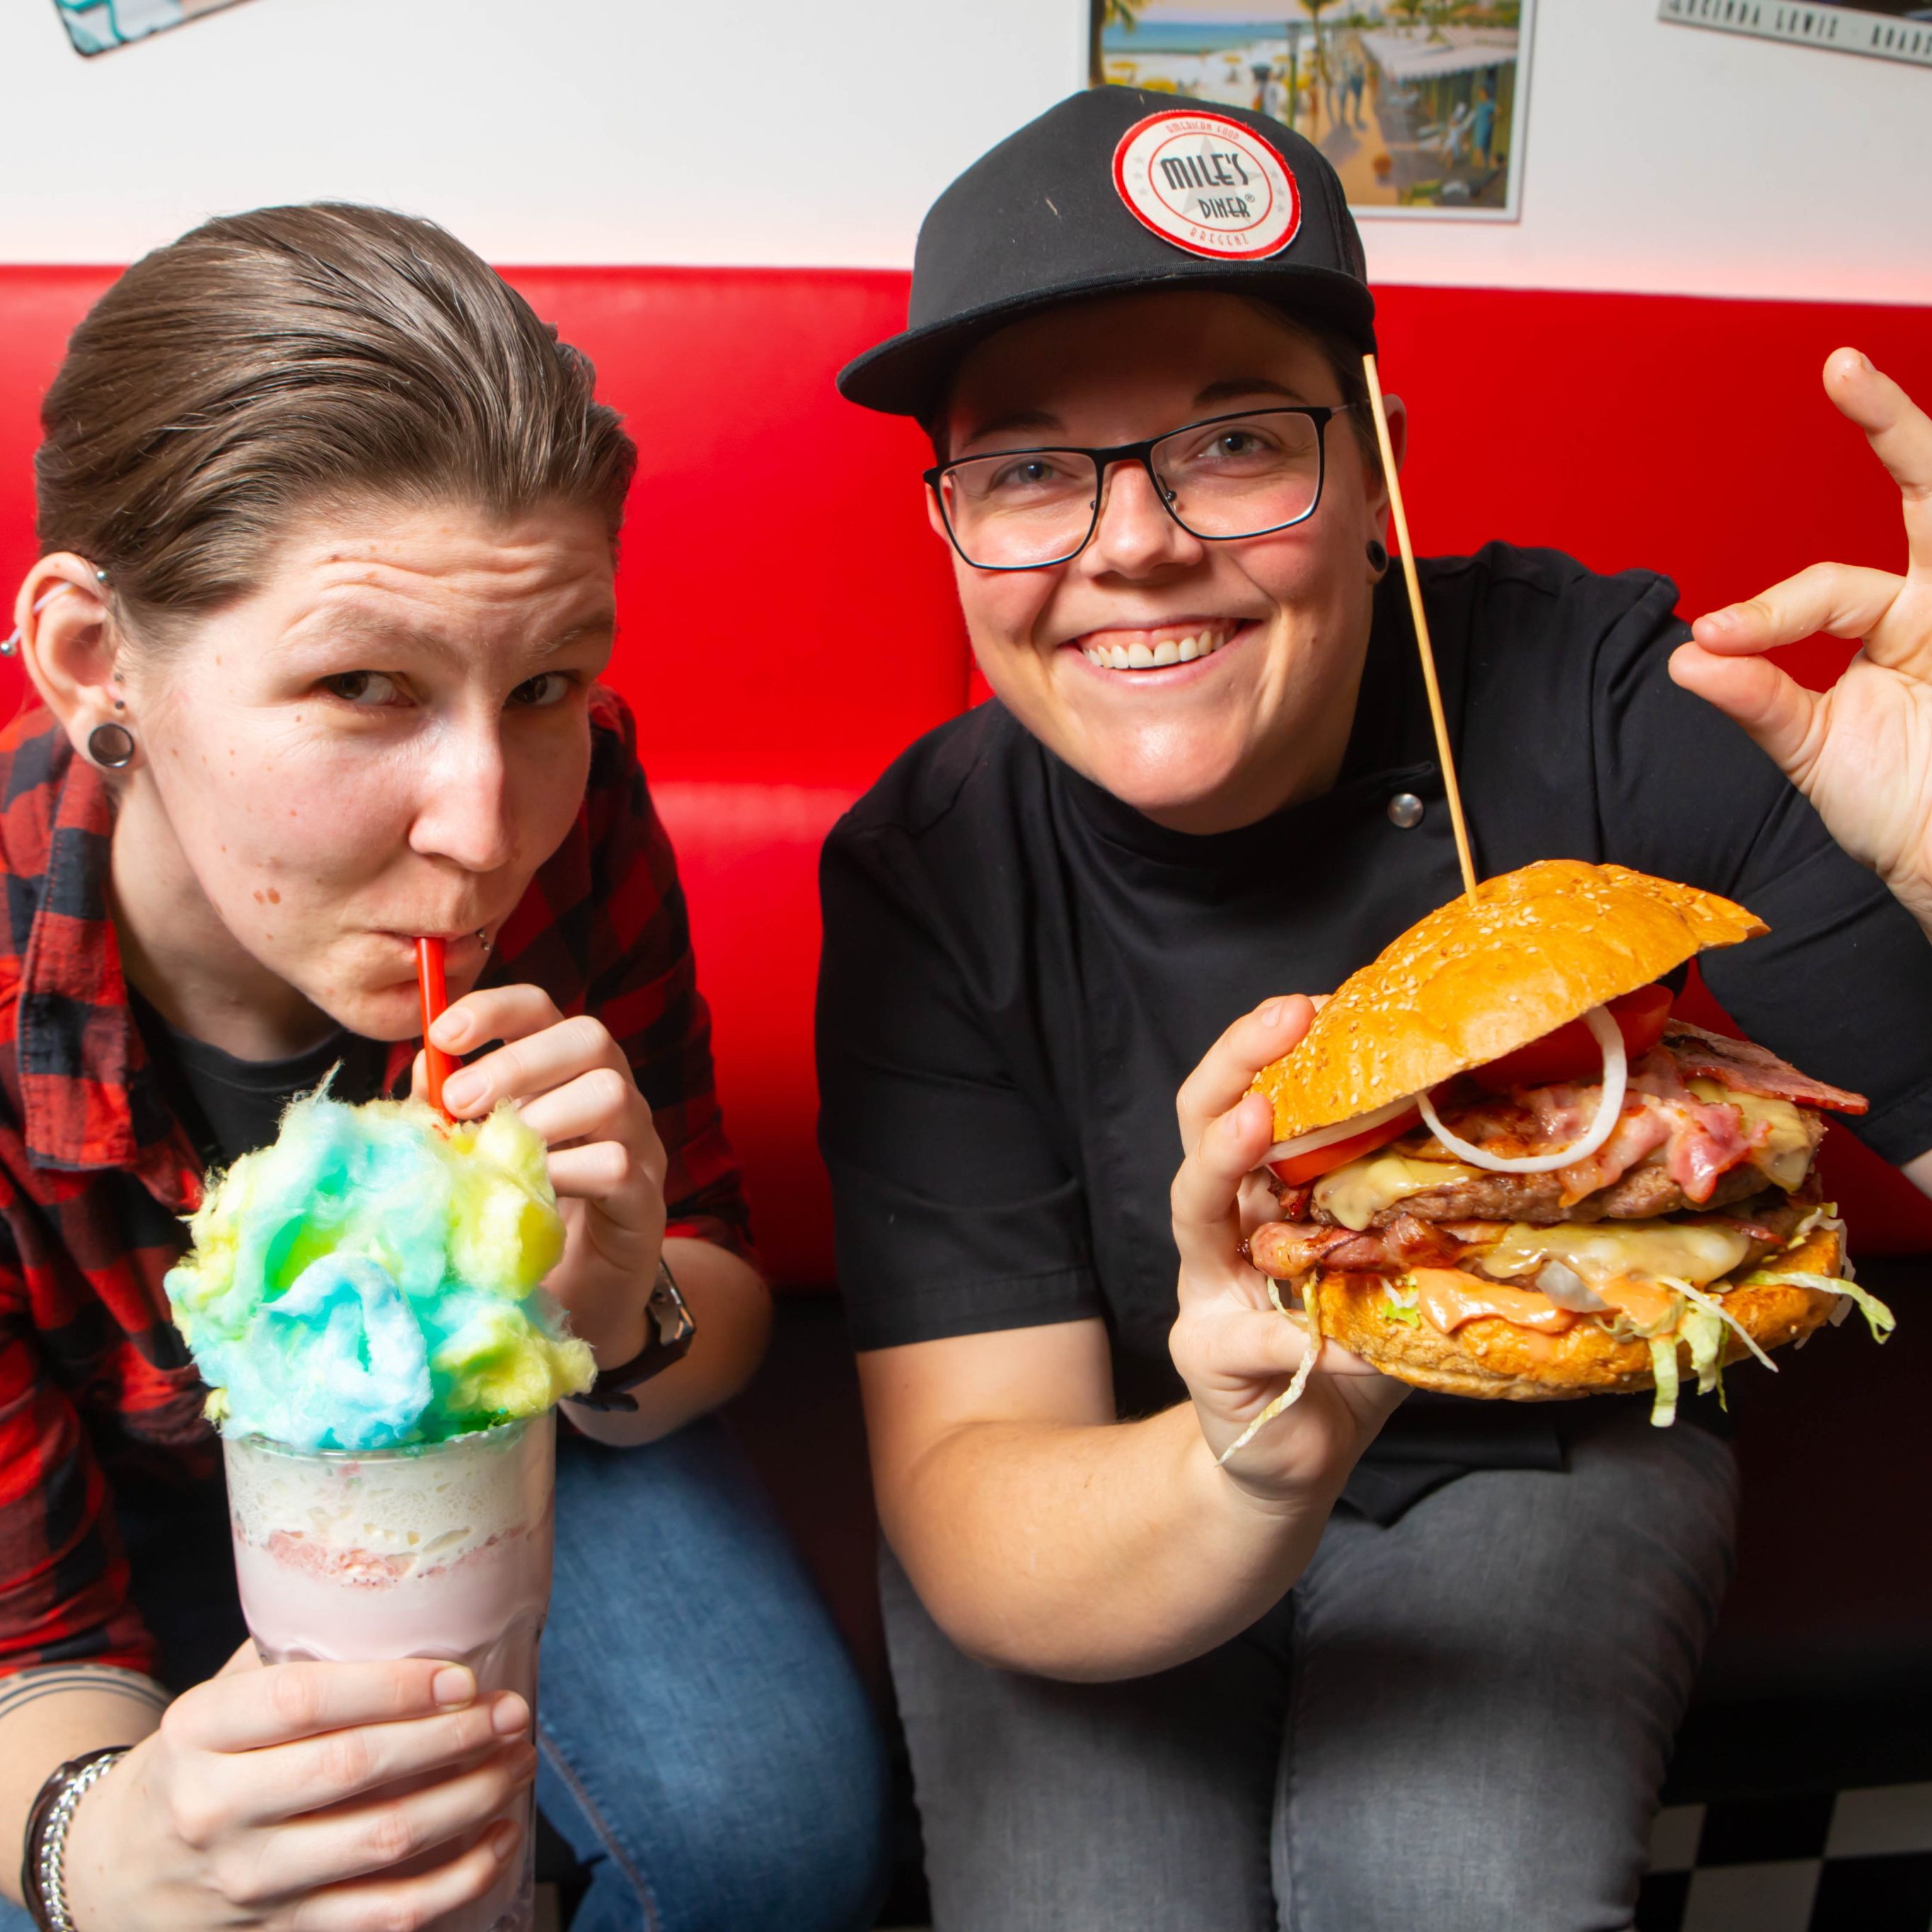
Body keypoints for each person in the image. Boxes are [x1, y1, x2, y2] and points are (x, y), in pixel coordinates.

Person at [816, 87, 1932, 1931]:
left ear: (1376, 467)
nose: (1135, 544)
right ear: (954, 525)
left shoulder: (1606, 692)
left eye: (1235, 443)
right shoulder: (929, 865)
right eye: (1028, 470)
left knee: (1439, 1888)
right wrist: (1255, 1437)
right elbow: (981, 1504)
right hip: (1111, 1456)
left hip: (1550, 1436)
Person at [0, 204, 889, 1932]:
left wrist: (615, 1305)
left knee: (775, 1838)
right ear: (97, 663)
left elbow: (706, 1280)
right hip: (80, 1519)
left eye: (547, 680)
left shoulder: (573, 800)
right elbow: (32, 1641)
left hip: (518, 1424)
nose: (486, 831)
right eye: (359, 685)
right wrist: (100, 1852)